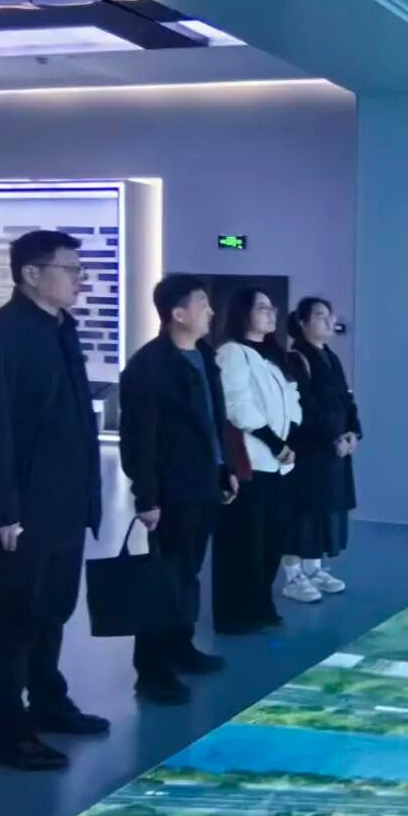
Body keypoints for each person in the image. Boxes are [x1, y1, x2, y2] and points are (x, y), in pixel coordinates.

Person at [0, 229, 107, 771]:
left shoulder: (61, 329)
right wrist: (1, 510)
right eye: (71, 270)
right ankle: (7, 732)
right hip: (24, 510)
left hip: (66, 501)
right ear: (31, 273)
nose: (80, 280)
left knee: (53, 612)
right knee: (14, 621)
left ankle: (48, 700)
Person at [118, 275, 237, 705]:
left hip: (203, 482)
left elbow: (213, 419)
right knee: (162, 580)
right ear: (178, 314)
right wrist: (147, 497)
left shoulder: (203, 356)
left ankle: (180, 647)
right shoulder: (149, 366)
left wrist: (224, 468)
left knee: (187, 574)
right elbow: (139, 438)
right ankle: (151, 672)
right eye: (203, 304)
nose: (211, 312)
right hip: (171, 490)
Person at [212, 287, 301, 634]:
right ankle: (236, 614)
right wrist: (274, 442)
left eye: (271, 307)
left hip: (279, 463)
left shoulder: (273, 356)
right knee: (243, 542)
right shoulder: (232, 353)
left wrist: (290, 438)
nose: (270, 312)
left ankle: (261, 604)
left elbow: (293, 400)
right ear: (243, 313)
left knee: (272, 539)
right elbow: (237, 405)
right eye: (261, 307)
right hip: (252, 460)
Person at [280, 297, 361, 601]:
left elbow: (346, 398)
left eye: (330, 315)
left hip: (333, 452)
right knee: (301, 512)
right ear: (302, 323)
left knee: (324, 510)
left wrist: (353, 432)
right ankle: (293, 576)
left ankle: (313, 569)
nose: (329, 321)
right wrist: (332, 439)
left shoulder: (330, 356)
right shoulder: (295, 358)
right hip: (309, 450)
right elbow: (305, 407)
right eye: (319, 315)